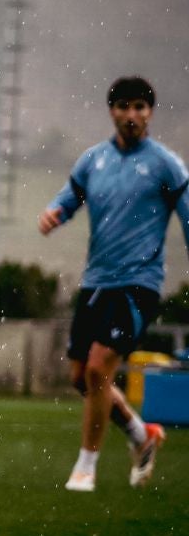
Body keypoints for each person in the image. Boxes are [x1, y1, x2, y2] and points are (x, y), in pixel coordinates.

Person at [39, 76, 184, 492]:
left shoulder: (165, 165)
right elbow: (68, 198)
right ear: (112, 111)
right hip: (96, 282)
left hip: (139, 284)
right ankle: (141, 435)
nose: (132, 115)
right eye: (124, 107)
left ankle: (86, 467)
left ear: (150, 113)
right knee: (80, 377)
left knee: (100, 367)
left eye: (140, 107)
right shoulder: (93, 161)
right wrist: (54, 212)